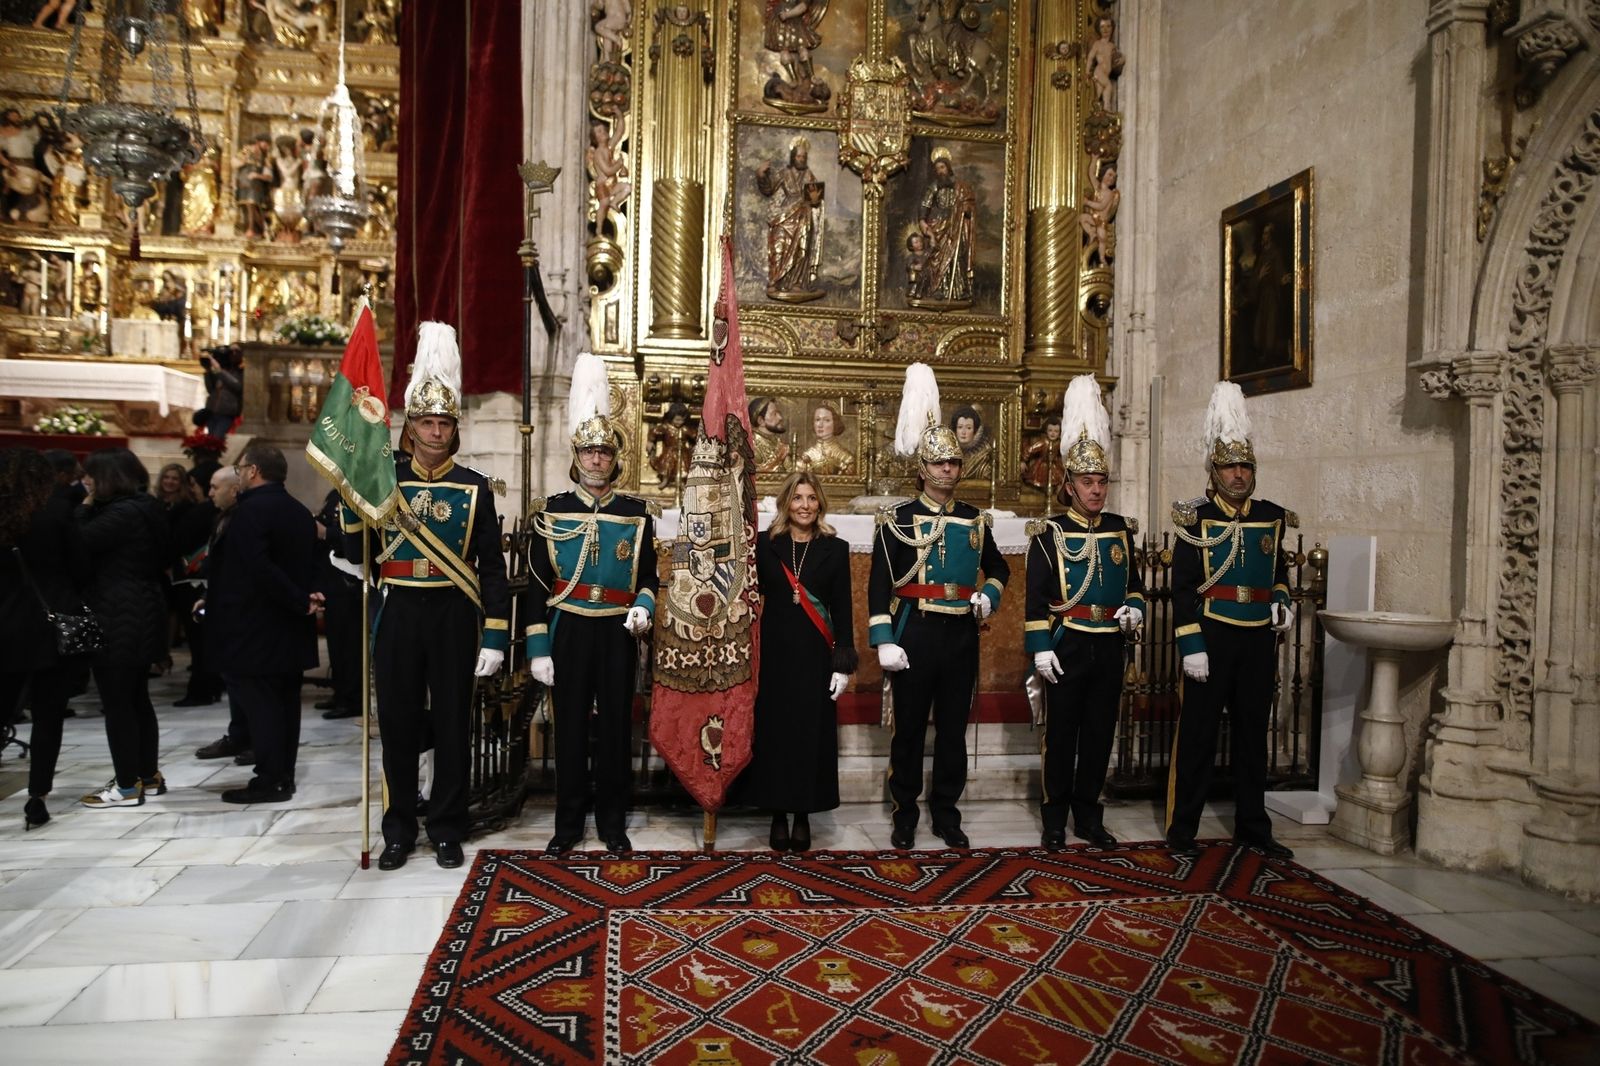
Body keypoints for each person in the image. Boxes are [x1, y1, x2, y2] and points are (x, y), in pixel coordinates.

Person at [349, 322, 509, 870]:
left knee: (451, 726)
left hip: (453, 613)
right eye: (426, 422)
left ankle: (446, 825)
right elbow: (356, 547)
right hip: (399, 608)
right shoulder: (383, 480)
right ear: (410, 427)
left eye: (444, 423)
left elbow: (492, 566)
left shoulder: (474, 486)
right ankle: (397, 829)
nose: (436, 431)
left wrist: (494, 632)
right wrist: (351, 492)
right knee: (395, 721)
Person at [869, 363, 1008, 849]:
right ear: (922, 469)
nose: (947, 470)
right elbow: (878, 585)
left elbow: (999, 569)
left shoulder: (975, 519)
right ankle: (904, 812)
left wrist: (987, 596)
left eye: (953, 463)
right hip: (915, 631)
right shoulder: (897, 519)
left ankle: (947, 812)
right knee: (908, 730)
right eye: (939, 463)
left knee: (952, 731)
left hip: (960, 635)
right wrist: (883, 640)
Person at [525, 353, 658, 856]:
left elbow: (649, 575)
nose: (597, 460)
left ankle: (612, 822)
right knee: (570, 729)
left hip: (617, 631)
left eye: (605, 452)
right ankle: (567, 824)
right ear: (576, 456)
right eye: (589, 452)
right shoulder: (552, 510)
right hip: (569, 628)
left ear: (615, 457)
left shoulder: (635, 512)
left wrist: (644, 604)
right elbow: (539, 584)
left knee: (617, 728)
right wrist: (539, 648)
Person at [1165, 381, 1298, 861]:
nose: (1238, 475)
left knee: (1250, 739)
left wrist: (1281, 599)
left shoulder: (1271, 517)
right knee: (1199, 737)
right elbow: (1182, 589)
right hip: (1212, 636)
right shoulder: (1193, 520)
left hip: (1257, 638)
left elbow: (1278, 570)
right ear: (1214, 470)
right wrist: (1190, 644)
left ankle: (1253, 827)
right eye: (1229, 466)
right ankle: (1184, 829)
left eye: (1245, 466)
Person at [1025, 376, 1145, 848]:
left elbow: (1133, 585)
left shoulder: (1120, 530)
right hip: (1067, 641)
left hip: (1109, 643)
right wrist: (1039, 649)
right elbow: (1036, 601)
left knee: (1100, 733)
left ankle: (1089, 815)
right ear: (1069, 485)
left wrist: (1134, 610)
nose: (1096, 491)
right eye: (1087, 482)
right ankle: (1054, 817)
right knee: (1062, 736)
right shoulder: (1048, 533)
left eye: (1102, 482)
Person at [743, 472, 856, 851]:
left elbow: (843, 607)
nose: (804, 505)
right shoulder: (764, 545)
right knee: (776, 734)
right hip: (774, 653)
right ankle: (777, 812)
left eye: (811, 498)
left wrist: (842, 662)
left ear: (820, 503)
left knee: (810, 736)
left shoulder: (835, 549)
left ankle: (804, 813)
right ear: (785, 503)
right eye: (797, 498)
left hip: (815, 656)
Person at [201, 445, 320, 803]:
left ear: (253, 471)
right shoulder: (298, 510)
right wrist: (304, 600)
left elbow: (256, 568)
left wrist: (299, 599)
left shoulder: (249, 512)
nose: (237, 475)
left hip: (254, 625)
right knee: (285, 704)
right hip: (289, 625)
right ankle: (283, 774)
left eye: (239, 469)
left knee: (263, 706)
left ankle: (270, 779)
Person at [0, 448, 89, 830]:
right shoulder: (55, 514)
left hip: (5, 625)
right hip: (50, 623)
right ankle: (37, 797)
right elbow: (80, 567)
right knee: (49, 715)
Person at [77, 448, 170, 808]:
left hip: (118, 613)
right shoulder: (148, 507)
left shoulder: (117, 515)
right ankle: (147, 774)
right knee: (136, 698)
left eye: (91, 476)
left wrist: (83, 506)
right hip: (143, 607)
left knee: (118, 704)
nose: (86, 482)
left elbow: (78, 542)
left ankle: (128, 786)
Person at [192, 466, 255, 764]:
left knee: (249, 684)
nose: (210, 493)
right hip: (224, 609)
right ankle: (239, 733)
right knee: (233, 679)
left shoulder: (245, 518)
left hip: (243, 614)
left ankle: (255, 739)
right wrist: (206, 595)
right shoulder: (223, 517)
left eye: (215, 487)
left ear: (234, 489)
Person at [171, 463, 223, 707]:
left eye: (193, 484)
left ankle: (201, 688)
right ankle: (209, 685)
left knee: (199, 640)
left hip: (195, 583)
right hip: (202, 582)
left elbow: (178, 542)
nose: (192, 489)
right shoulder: (211, 512)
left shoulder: (201, 513)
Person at [755, 138, 825, 301]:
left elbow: (815, 198)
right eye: (799, 156)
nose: (801, 159)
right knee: (778, 247)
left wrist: (815, 201)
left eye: (804, 157)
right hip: (784, 216)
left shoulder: (809, 176)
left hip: (803, 217)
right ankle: (775, 280)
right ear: (793, 157)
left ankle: (797, 283)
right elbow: (768, 188)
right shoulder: (784, 173)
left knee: (802, 248)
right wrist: (761, 175)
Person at [313, 488, 362, 719]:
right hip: (332, 581)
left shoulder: (359, 491)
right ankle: (340, 691)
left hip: (348, 582)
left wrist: (325, 533)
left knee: (349, 645)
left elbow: (356, 538)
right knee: (336, 643)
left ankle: (352, 698)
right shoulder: (335, 492)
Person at [916, 147, 976, 307]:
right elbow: (925, 205)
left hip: (956, 225)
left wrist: (966, 209)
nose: (940, 171)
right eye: (937, 169)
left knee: (957, 256)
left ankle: (958, 290)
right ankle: (937, 289)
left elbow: (969, 206)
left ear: (948, 167)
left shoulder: (960, 187)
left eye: (942, 167)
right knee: (936, 258)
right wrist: (922, 220)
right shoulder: (934, 187)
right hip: (939, 225)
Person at [198, 344, 244, 439]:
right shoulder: (221, 370)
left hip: (227, 413)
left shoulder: (241, 372)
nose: (233, 354)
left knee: (217, 439)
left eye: (236, 351)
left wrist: (220, 371)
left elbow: (237, 386)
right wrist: (208, 371)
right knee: (210, 441)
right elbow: (211, 389)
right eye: (231, 351)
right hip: (212, 411)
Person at [796, 404, 855, 476]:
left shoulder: (846, 457)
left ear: (835, 423)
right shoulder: (807, 455)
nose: (820, 425)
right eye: (817, 420)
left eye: (826, 420)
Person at [647, 401, 693, 487]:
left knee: (684, 467)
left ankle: (683, 482)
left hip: (683, 451)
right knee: (666, 465)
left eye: (682, 420)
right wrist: (650, 441)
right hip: (670, 451)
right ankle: (665, 480)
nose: (680, 422)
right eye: (677, 420)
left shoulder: (684, 429)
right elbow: (654, 431)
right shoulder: (666, 427)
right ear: (671, 418)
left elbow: (694, 434)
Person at [1021, 416, 1065, 493]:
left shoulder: (1059, 443)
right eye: (1050, 430)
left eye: (1056, 431)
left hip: (1055, 465)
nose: (1053, 433)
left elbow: (1065, 451)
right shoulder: (1043, 442)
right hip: (1043, 465)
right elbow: (1030, 449)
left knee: (1061, 479)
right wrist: (1023, 461)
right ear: (1046, 431)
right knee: (1042, 481)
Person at [749, 396, 791, 474]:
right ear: (761, 421)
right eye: (774, 414)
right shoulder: (753, 447)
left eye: (778, 413)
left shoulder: (779, 444)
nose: (780, 417)